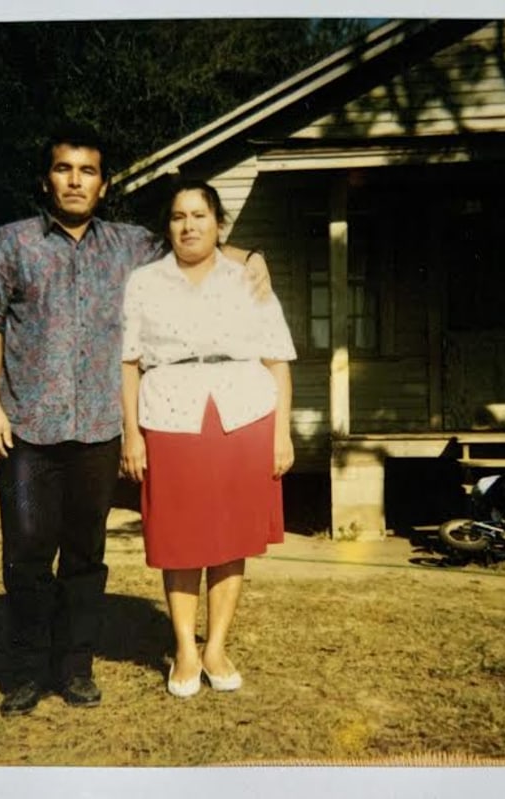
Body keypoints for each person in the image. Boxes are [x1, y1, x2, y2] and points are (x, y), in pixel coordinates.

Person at [0, 124, 270, 717]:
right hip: (27, 427)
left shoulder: (128, 246)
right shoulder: (9, 244)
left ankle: (75, 670)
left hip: (100, 428)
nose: (75, 181)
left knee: (85, 556)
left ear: (103, 184)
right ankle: (25, 673)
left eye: (87, 171)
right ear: (46, 178)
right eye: (63, 169)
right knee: (26, 554)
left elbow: (194, 244)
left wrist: (251, 255)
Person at [120, 179, 296, 698]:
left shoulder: (248, 278)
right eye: (178, 216)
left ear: (219, 225)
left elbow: (278, 361)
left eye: (200, 215)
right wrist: (132, 434)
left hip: (244, 413)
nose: (189, 225)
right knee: (179, 539)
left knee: (231, 538)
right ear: (168, 226)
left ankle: (216, 645)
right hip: (170, 413)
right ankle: (185, 649)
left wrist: (281, 432)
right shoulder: (144, 282)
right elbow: (128, 363)